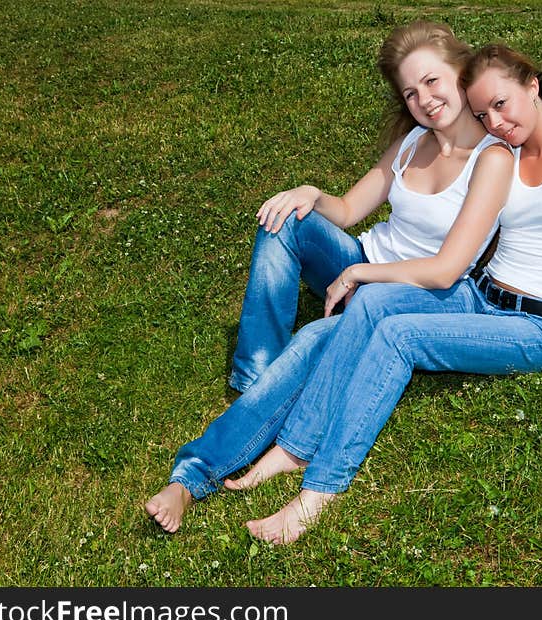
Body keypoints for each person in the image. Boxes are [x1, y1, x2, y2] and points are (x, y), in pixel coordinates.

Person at [233, 43, 542, 544]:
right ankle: (293, 448)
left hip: (537, 326)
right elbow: (455, 241)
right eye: (482, 112)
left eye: (501, 104)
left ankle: (319, 493)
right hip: (479, 296)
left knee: (399, 337)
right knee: (376, 304)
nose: (494, 120)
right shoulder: (501, 153)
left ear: (532, 86)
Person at [143, 21, 513, 532]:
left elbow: (447, 268)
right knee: (284, 222)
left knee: (314, 340)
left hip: (407, 293)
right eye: (410, 92)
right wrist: (311, 196)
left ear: (461, 73)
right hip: (360, 266)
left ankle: (192, 476)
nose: (424, 100)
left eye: (432, 82)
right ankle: (256, 378)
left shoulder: (491, 160)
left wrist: (363, 274)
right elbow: (347, 209)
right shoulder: (412, 144)